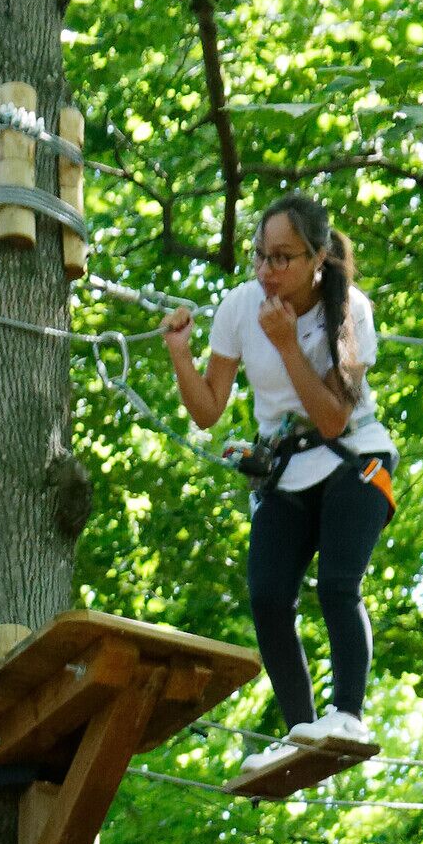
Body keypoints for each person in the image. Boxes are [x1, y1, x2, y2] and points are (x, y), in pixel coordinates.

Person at [158, 194, 395, 767]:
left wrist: (289, 345)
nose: (266, 272)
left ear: (317, 259)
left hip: (353, 460)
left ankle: (347, 715)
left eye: (281, 259)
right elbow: (209, 409)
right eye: (259, 257)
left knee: (338, 585)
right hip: (287, 472)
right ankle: (301, 731)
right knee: (267, 598)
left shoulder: (349, 312)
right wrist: (180, 355)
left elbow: (335, 416)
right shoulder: (241, 307)